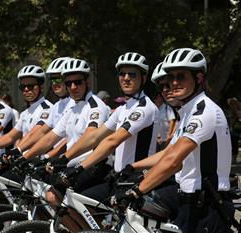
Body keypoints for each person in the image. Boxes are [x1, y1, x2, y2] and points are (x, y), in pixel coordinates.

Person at [119, 48, 234, 233]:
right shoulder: (188, 111)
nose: (173, 83)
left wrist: (137, 190)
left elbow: (173, 161)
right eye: (170, 77)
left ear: (198, 78)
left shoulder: (205, 112)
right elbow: (167, 153)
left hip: (207, 206)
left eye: (181, 77)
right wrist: (133, 167)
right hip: (189, 199)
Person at [58, 52, 159, 202]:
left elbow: (112, 141)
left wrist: (80, 167)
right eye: (122, 74)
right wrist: (63, 158)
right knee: (76, 203)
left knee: (78, 204)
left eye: (132, 74)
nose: (126, 78)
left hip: (135, 179)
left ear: (143, 78)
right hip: (118, 177)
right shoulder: (122, 109)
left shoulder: (145, 108)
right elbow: (94, 136)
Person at [20, 58, 111, 194]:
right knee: (36, 186)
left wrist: (62, 158)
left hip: (91, 165)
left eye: (77, 82)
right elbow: (51, 137)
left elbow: (89, 138)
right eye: (69, 83)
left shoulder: (96, 107)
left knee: (51, 195)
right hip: (71, 164)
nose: (73, 87)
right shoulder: (72, 108)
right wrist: (24, 156)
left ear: (87, 82)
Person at [0, 65, 53, 180]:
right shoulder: (25, 113)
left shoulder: (47, 108)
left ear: (41, 87)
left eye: (30, 86)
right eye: (23, 86)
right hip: (22, 163)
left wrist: (16, 151)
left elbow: (35, 133)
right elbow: (10, 137)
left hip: (38, 165)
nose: (26, 90)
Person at [11, 57, 74, 158]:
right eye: (52, 80)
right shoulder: (57, 106)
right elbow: (43, 132)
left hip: (73, 161)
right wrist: (17, 151)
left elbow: (37, 134)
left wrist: (46, 157)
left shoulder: (48, 107)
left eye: (58, 79)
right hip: (56, 161)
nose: (54, 83)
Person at [226, 97, 241, 162]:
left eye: (233, 103)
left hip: (238, 129)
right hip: (233, 130)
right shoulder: (230, 110)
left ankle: (234, 157)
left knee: (234, 143)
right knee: (233, 143)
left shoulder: (238, 109)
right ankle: (233, 157)